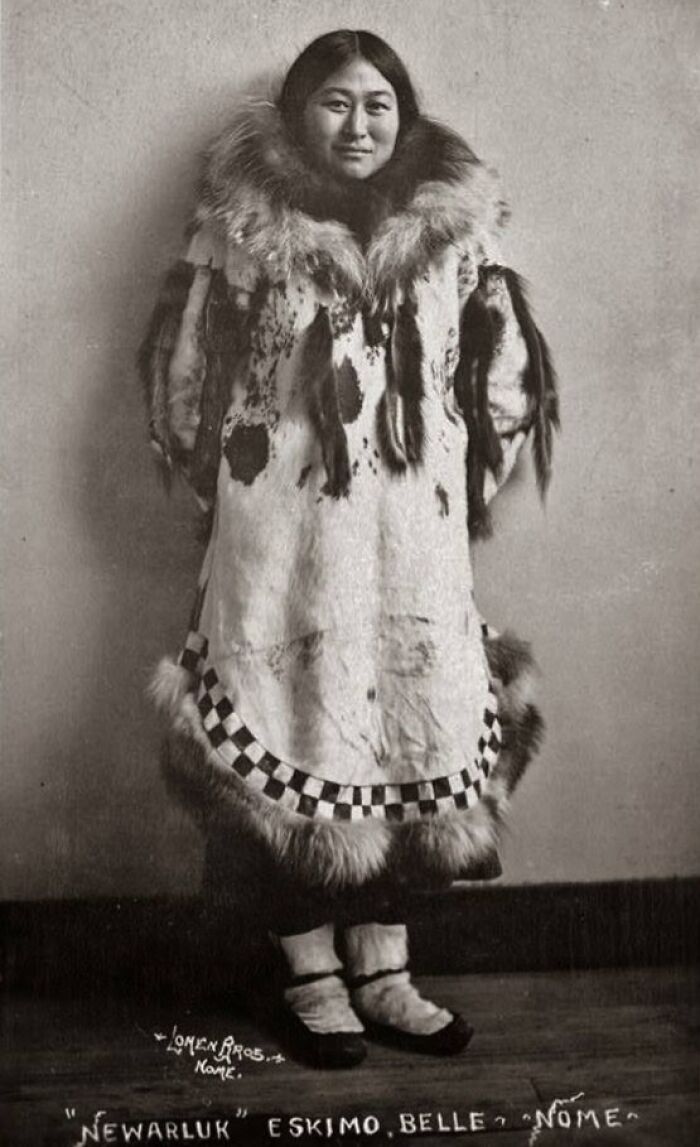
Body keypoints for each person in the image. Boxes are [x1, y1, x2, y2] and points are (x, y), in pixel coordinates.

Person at [140, 29, 558, 1069]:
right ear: (296, 114)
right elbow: (184, 374)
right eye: (335, 102)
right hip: (280, 530)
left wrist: (458, 484)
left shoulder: (456, 234)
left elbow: (503, 370)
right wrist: (241, 493)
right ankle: (310, 973)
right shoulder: (239, 230)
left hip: (412, 533)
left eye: (377, 104)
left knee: (406, 742)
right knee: (290, 735)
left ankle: (385, 967)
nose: (358, 124)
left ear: (404, 118)